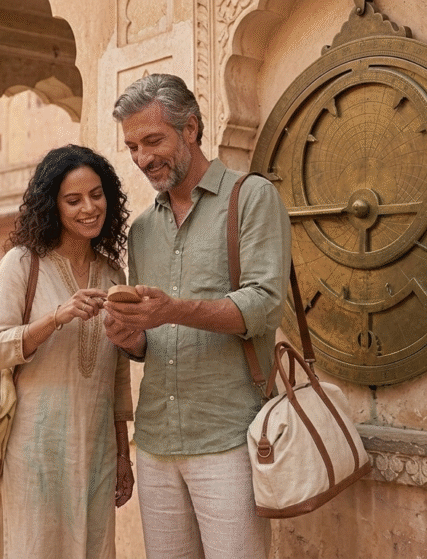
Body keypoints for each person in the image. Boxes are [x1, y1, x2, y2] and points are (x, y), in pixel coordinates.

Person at [103, 73, 291, 559]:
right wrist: (129, 336)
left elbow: (266, 304)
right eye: (132, 147)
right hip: (157, 440)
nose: (143, 158)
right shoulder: (143, 230)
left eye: (153, 140)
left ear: (191, 128)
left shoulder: (251, 198)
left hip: (228, 436)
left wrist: (174, 310)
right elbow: (153, 340)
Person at [0, 144, 134, 559]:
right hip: (35, 452)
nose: (89, 208)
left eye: (97, 194)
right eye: (73, 200)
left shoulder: (111, 273)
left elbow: (117, 374)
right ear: (53, 206)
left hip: (97, 452)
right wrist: (56, 317)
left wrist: (123, 455)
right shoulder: (22, 263)